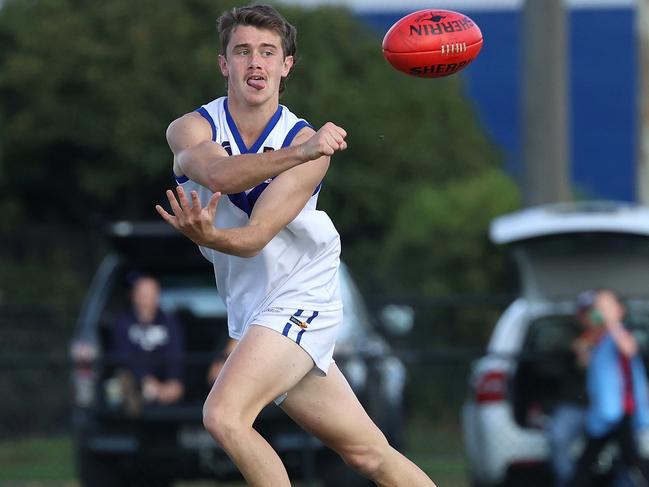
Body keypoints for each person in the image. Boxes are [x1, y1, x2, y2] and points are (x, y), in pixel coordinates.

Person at [155, 4, 436, 486]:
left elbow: (254, 238)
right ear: (224, 64)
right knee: (368, 454)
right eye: (242, 52)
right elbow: (219, 173)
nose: (255, 63)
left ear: (287, 66)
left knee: (224, 415)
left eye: (268, 52)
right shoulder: (192, 128)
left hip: (301, 298)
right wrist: (298, 154)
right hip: (255, 307)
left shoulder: (308, 145)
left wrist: (214, 236)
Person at [568, 289, 649, 487]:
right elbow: (583, 361)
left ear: (619, 310)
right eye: (599, 308)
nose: (600, 312)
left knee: (632, 461)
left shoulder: (623, 332)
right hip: (606, 413)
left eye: (604, 307)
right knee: (593, 461)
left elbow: (628, 348)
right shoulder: (597, 337)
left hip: (623, 411)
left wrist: (611, 321)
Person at [108, 275, 185, 413]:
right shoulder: (122, 323)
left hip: (164, 381)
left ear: (158, 296)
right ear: (133, 296)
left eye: (150, 294)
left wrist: (173, 380)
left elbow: (175, 354)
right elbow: (122, 356)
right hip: (135, 380)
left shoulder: (169, 322)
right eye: (142, 294)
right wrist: (145, 379)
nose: (146, 299)